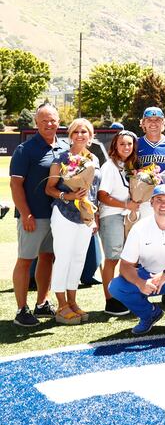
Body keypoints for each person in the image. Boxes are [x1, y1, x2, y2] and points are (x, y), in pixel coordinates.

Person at [109, 184, 165, 336]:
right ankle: (149, 315)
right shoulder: (139, 228)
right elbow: (125, 266)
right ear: (151, 203)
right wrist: (140, 283)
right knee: (116, 286)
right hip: (148, 278)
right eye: (159, 199)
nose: (163, 204)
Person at [10, 103, 67, 326]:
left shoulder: (64, 147)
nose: (49, 124)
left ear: (59, 121)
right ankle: (21, 310)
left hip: (57, 216)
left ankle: (42, 303)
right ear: (36, 123)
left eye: (52, 120)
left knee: (47, 258)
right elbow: (16, 185)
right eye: (44, 120)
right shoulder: (25, 149)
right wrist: (26, 214)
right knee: (25, 260)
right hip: (34, 216)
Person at [42, 118, 100, 324]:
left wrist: (94, 217)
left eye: (84, 132)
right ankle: (61, 305)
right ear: (70, 135)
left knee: (78, 259)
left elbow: (94, 192)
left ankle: (73, 302)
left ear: (90, 136)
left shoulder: (94, 158)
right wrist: (69, 197)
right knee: (64, 258)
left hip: (85, 216)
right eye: (76, 132)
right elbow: (49, 188)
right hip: (64, 214)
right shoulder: (61, 158)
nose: (80, 135)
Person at [97, 130, 138, 316]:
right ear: (115, 146)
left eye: (129, 144)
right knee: (112, 259)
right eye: (122, 144)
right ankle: (110, 301)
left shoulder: (127, 166)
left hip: (126, 216)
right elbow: (102, 195)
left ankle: (122, 296)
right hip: (111, 215)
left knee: (126, 258)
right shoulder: (109, 167)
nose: (126, 147)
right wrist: (125, 204)